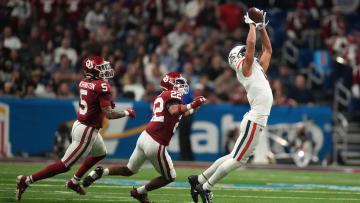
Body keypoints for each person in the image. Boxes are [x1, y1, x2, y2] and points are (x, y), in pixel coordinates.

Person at [16, 56, 136, 200]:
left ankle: (74, 181)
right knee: (64, 165)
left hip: (82, 125)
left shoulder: (84, 82)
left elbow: (95, 101)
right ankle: (27, 180)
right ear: (93, 71)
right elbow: (109, 114)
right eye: (101, 68)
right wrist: (126, 112)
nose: (105, 71)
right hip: (87, 130)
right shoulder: (102, 86)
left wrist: (107, 103)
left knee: (100, 153)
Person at [188, 9, 273, 203]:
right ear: (240, 56)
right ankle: (206, 187)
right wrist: (252, 24)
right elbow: (251, 45)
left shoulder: (255, 68)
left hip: (255, 119)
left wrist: (262, 28)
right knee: (238, 160)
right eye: (244, 51)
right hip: (255, 119)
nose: (249, 51)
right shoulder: (245, 68)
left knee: (233, 155)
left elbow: (268, 50)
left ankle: (198, 179)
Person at [83, 72, 207, 203]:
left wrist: (193, 108)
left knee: (129, 170)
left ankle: (101, 172)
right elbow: (174, 111)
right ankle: (139, 192)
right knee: (169, 177)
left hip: (145, 136)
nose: (182, 86)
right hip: (156, 142)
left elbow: (176, 114)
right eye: (179, 83)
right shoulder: (172, 94)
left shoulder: (161, 96)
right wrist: (192, 105)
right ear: (171, 84)